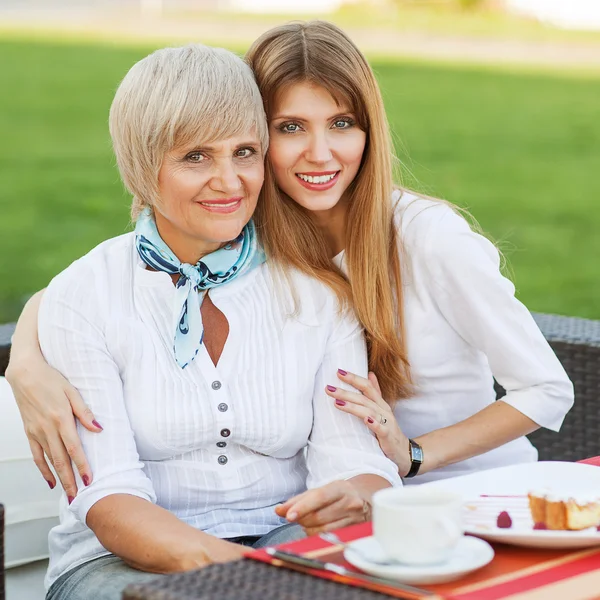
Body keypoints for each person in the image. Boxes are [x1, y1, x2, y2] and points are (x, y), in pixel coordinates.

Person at [7, 21, 573, 497]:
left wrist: (414, 455)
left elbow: (547, 389)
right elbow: (119, 276)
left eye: (342, 124)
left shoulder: (429, 239)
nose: (320, 154)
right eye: (290, 128)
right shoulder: (245, 228)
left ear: (369, 132)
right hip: (342, 508)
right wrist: (26, 361)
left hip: (467, 495)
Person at [11, 44, 400, 600]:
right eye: (195, 157)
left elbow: (357, 463)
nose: (230, 180)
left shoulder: (317, 293)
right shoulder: (86, 294)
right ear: (143, 168)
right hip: (116, 564)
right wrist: (253, 576)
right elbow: (109, 500)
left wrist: (355, 496)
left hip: (286, 541)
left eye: (245, 152)